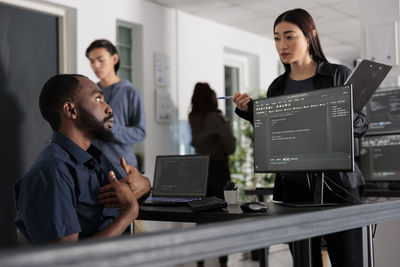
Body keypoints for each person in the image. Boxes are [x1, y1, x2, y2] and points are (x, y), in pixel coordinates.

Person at [233, 8, 368, 267]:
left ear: (310, 36)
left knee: (350, 261)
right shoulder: (278, 87)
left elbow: (362, 126)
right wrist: (250, 112)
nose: (281, 45)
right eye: (276, 38)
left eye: (289, 36)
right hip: (293, 191)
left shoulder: (338, 75)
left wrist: (338, 112)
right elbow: (278, 134)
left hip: (338, 188)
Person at [14, 74, 151, 244]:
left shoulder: (96, 157)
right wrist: (129, 213)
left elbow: (129, 190)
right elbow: (69, 259)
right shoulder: (51, 172)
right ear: (71, 110)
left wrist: (144, 184)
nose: (109, 108)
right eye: (98, 99)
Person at [189, 82, 236, 267]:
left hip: (199, 170)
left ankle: (200, 262)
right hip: (218, 168)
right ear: (210, 97)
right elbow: (230, 147)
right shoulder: (215, 117)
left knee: (200, 218)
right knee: (221, 217)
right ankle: (223, 262)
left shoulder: (193, 117)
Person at [86, 39, 146, 175]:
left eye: (100, 60)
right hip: (93, 168)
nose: (96, 65)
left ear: (114, 59)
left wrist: (112, 128)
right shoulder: (90, 92)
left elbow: (140, 132)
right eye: (92, 61)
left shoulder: (131, 92)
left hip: (122, 168)